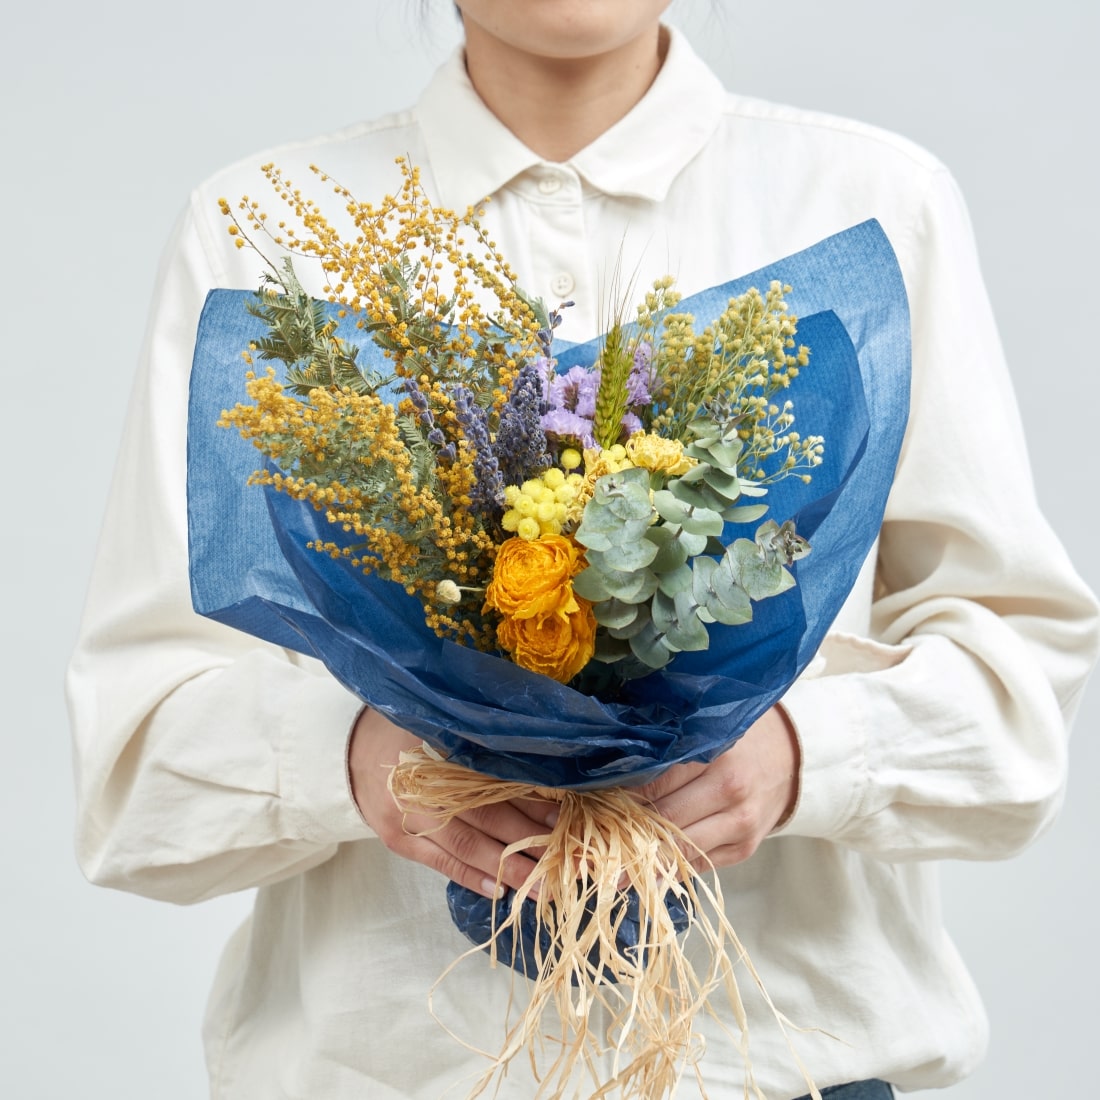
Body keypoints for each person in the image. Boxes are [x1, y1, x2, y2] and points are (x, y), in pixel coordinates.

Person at [67, 2, 1099, 1098]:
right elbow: (132, 768)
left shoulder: (871, 203)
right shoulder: (258, 229)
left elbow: (1015, 698)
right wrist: (357, 759)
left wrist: (801, 754)